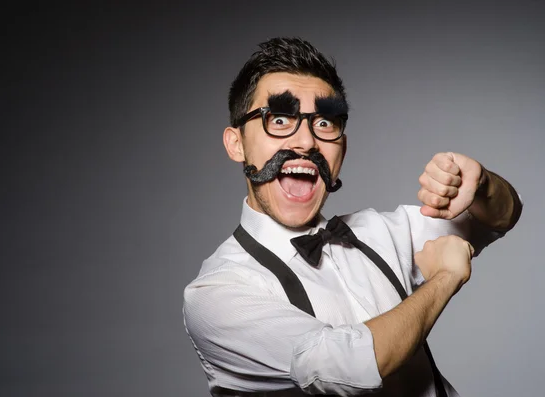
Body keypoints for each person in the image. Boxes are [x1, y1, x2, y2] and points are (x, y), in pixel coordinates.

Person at [183, 37, 522, 397]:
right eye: (280, 119)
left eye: (325, 123)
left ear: (341, 145)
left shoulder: (378, 232)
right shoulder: (217, 292)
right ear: (236, 143)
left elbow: (500, 217)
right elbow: (341, 367)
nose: (306, 142)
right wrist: (445, 278)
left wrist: (482, 184)